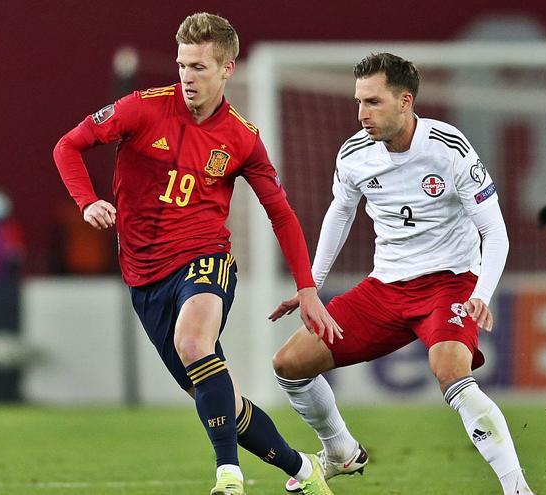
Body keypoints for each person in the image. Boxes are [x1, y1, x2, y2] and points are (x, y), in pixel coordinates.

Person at [53, 12, 343, 495]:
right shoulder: (140, 109)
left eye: (200, 67)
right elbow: (68, 146)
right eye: (182, 64)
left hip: (206, 258)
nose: (187, 76)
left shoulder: (243, 137)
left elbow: (282, 214)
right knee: (216, 395)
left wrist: (307, 286)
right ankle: (303, 469)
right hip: (144, 277)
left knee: (194, 343)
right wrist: (88, 202)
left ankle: (228, 477)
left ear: (227, 69)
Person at [270, 53, 533, 495]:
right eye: (358, 102)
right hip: (386, 288)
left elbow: (496, 232)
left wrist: (482, 293)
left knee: (449, 367)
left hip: (449, 283)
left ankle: (517, 488)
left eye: (372, 102)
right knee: (290, 364)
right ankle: (340, 451)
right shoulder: (354, 153)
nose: (361, 114)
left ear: (405, 101)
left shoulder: (450, 150)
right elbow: (341, 212)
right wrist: (309, 283)